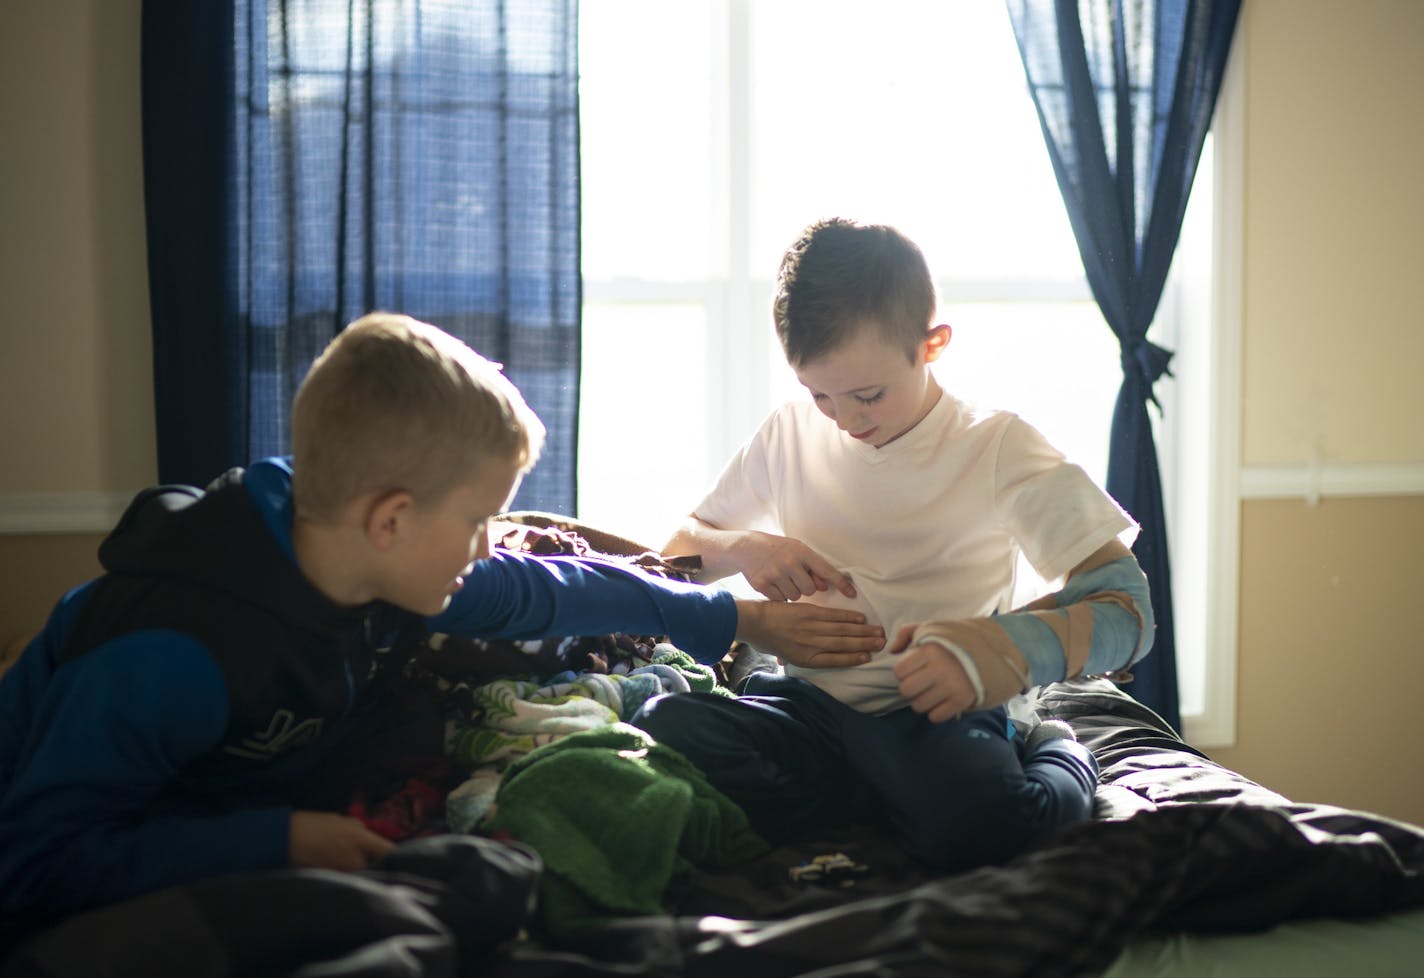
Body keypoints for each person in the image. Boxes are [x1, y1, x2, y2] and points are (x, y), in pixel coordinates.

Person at [0, 312, 885, 925]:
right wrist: (277, 839)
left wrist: (730, 616)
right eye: (478, 523)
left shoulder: (367, 550)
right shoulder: (176, 653)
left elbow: (551, 588)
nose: (488, 546)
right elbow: (35, 861)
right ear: (390, 518)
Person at [632, 218, 1156, 873]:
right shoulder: (787, 434)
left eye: (868, 395)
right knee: (664, 728)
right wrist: (747, 550)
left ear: (931, 345)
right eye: (819, 394)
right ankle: (885, 800)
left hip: (936, 716)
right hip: (811, 709)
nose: (847, 421)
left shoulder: (998, 446)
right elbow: (676, 553)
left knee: (986, 824)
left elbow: (1128, 610)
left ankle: (1053, 746)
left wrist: (1002, 650)